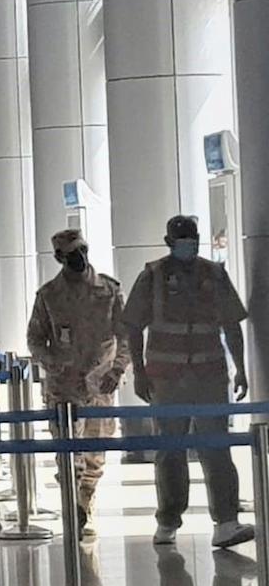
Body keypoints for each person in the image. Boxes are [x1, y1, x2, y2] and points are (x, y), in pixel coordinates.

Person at [122, 215, 255, 548]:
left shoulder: (214, 274)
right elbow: (133, 326)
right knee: (170, 451)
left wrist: (240, 369)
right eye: (181, 240)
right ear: (169, 242)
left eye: (192, 239)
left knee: (217, 448)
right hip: (166, 379)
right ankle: (168, 520)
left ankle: (226, 521)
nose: (188, 245)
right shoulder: (152, 276)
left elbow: (232, 325)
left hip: (209, 376)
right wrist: (139, 372)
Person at [26, 230, 130, 539]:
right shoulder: (49, 296)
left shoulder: (108, 291)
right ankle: (72, 508)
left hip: (100, 383)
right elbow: (35, 338)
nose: (80, 257)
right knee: (68, 453)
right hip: (64, 387)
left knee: (96, 454)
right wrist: (51, 362)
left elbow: (125, 335)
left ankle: (86, 500)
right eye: (72, 253)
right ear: (59, 257)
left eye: (82, 250)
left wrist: (118, 369)